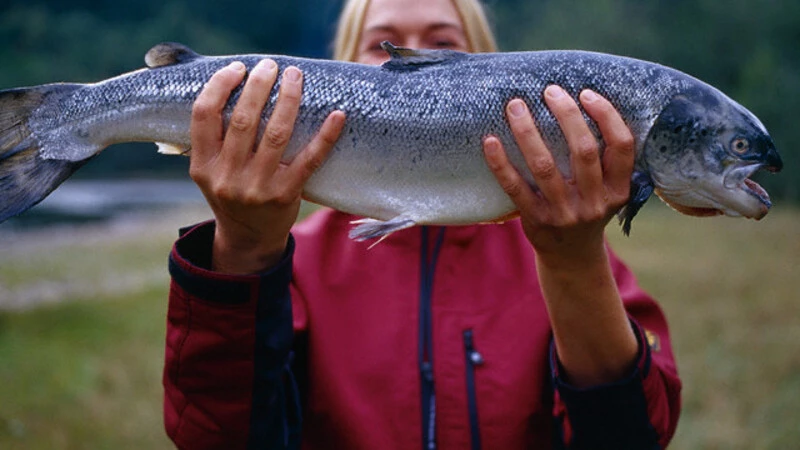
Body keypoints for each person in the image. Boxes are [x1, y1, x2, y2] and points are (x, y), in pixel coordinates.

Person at [163, 0, 682, 448]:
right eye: (383, 47)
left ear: (491, 71)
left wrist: (573, 264)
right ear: (339, 71)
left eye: (441, 41)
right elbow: (217, 436)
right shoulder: (292, 266)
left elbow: (632, 436)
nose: (413, 58)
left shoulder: (572, 254)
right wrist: (244, 250)